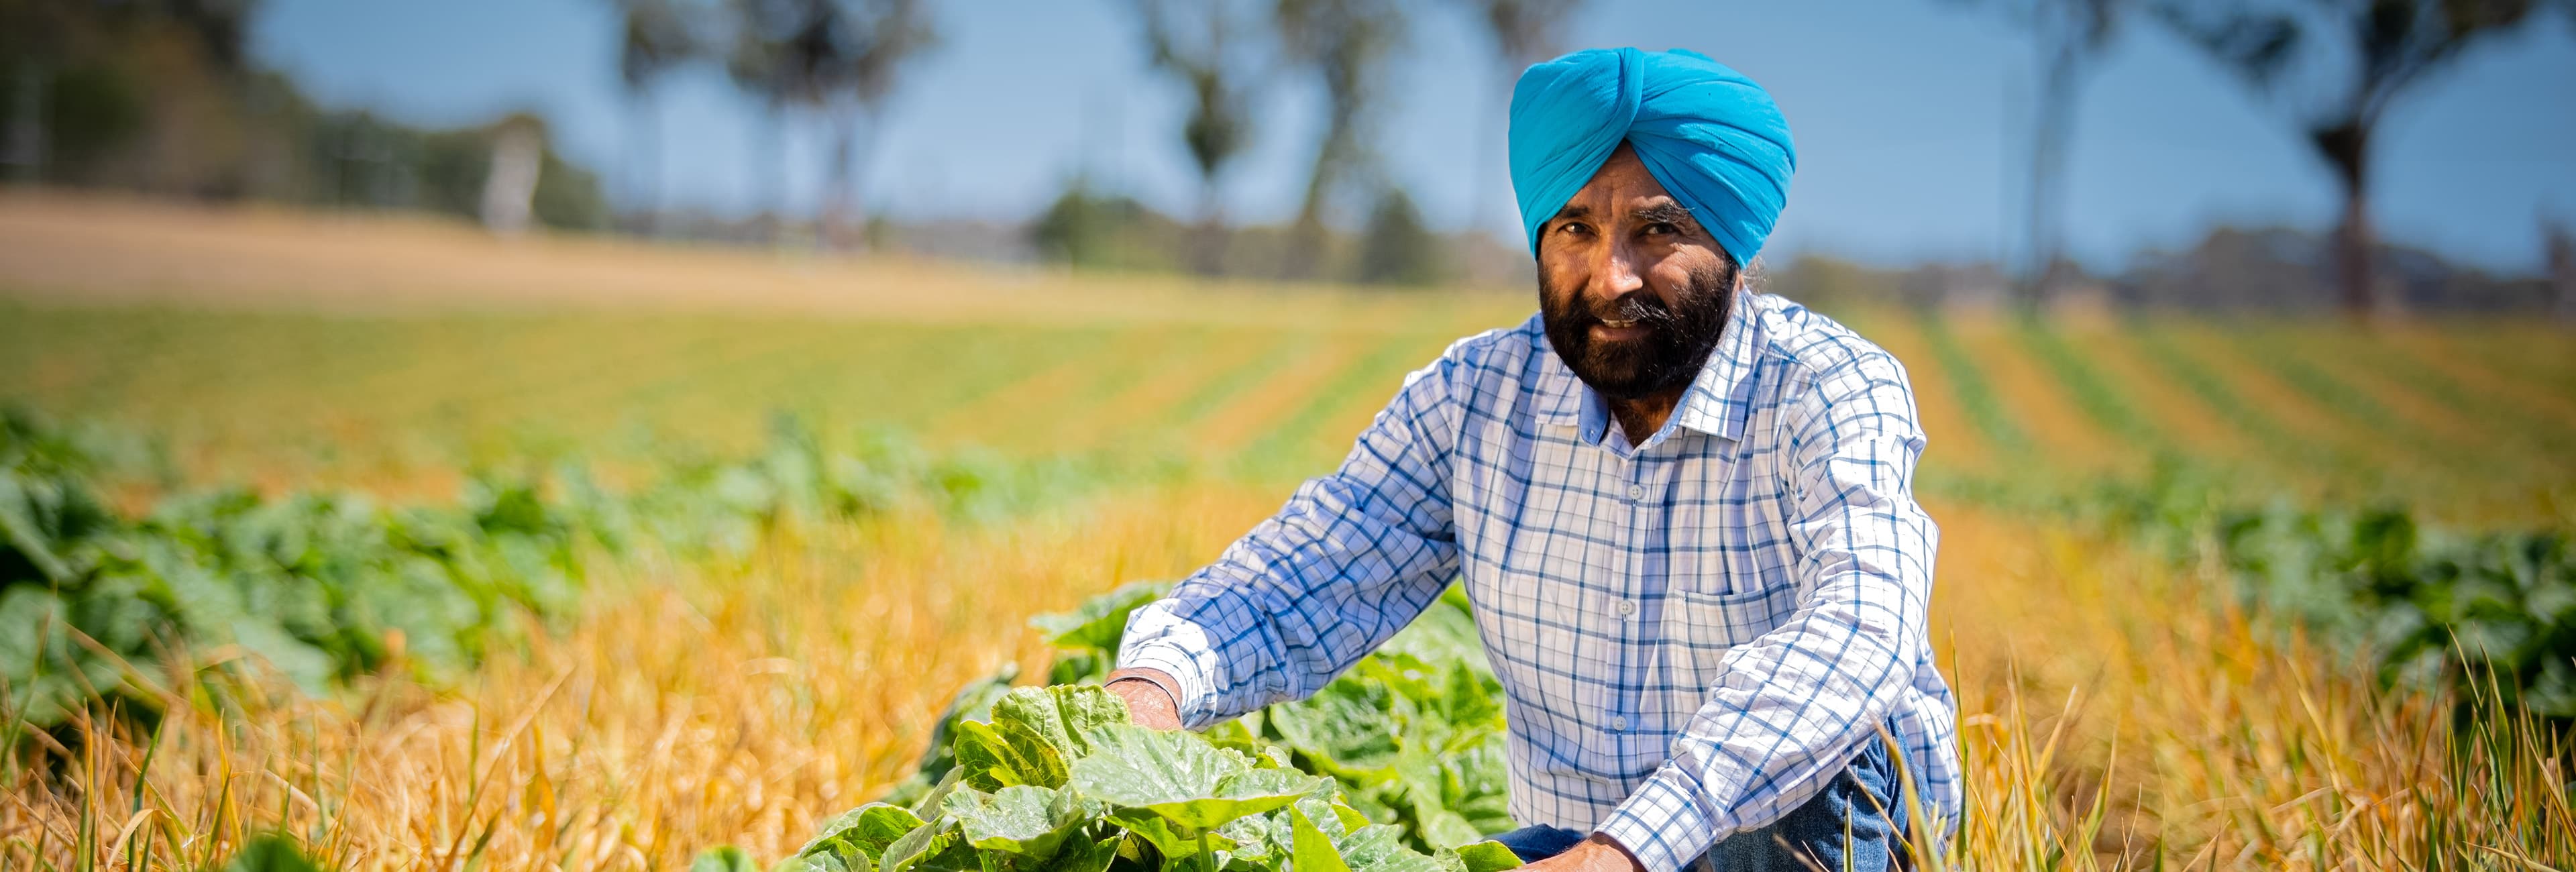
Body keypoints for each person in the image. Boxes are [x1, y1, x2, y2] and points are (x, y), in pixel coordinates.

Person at [1099, 47, 1957, 872]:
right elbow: (1310, 570)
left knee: (1821, 755)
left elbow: (1859, 630)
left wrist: (1625, 852)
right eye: (1575, 228)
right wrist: (1155, 683)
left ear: (1738, 252)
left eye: (1657, 229)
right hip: (1568, 843)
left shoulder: (1827, 388)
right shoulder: (1476, 396)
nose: (1609, 276)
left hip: (1788, 840)